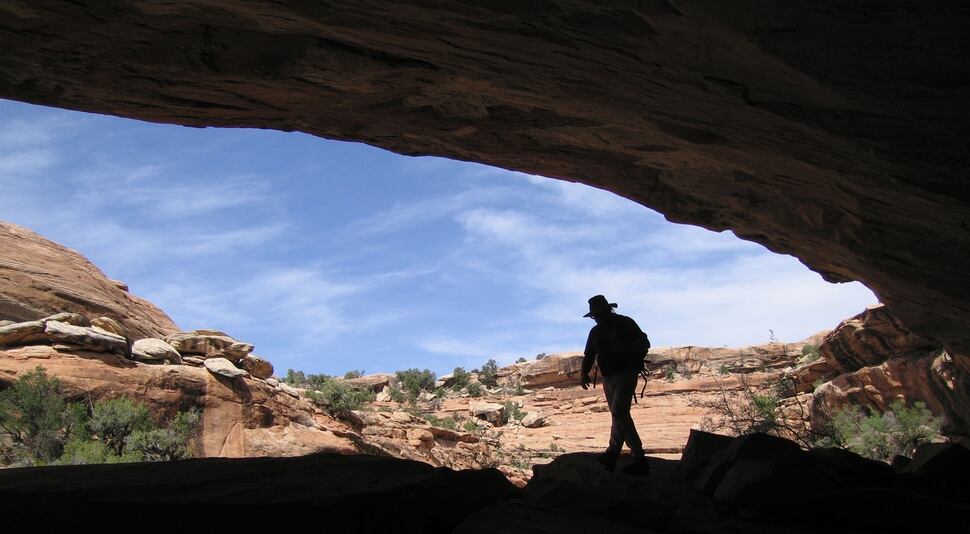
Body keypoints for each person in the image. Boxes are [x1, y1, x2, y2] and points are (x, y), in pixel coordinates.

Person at [580, 294, 651, 476]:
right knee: (617, 415)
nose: (596, 318)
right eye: (594, 316)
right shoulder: (595, 332)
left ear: (607, 310)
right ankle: (612, 454)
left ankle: (639, 456)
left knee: (619, 411)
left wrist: (624, 347)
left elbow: (645, 343)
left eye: (598, 314)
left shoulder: (625, 323)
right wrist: (583, 373)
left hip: (627, 373)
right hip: (608, 378)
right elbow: (589, 354)